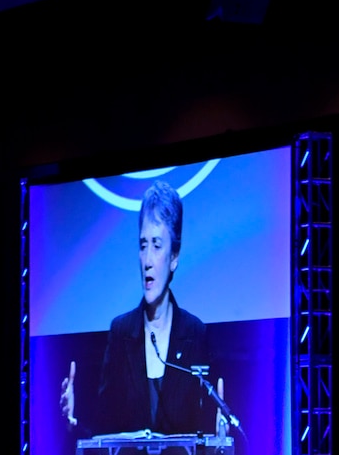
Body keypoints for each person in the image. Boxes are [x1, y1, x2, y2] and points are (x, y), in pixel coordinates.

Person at [58, 180, 220, 441]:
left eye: (157, 245)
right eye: (143, 245)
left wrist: (219, 432)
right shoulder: (121, 332)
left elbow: (202, 436)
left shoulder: (194, 332)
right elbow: (104, 433)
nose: (147, 260)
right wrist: (72, 421)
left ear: (174, 257)